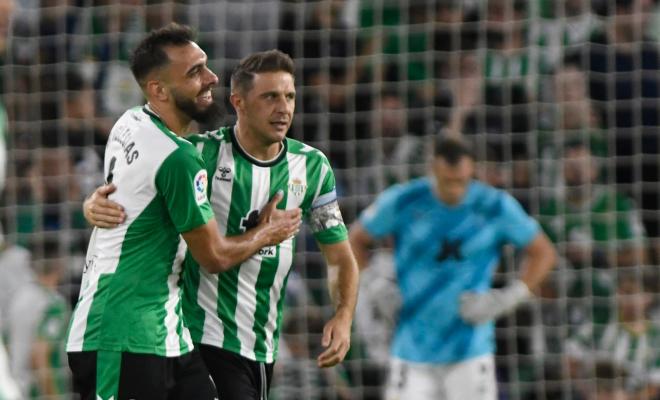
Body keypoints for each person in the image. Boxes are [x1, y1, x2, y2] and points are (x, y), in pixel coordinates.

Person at [83, 49, 359, 400]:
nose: (283, 108)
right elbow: (134, 189)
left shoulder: (313, 168)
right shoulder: (201, 155)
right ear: (238, 102)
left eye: (289, 96)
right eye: (270, 97)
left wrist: (343, 316)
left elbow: (340, 258)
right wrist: (94, 204)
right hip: (194, 335)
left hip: (258, 346)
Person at [349, 138, 556, 400]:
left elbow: (544, 253)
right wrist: (375, 284)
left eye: (462, 181)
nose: (456, 190)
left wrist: (508, 297)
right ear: (433, 170)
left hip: (470, 350)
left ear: (471, 172)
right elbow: (353, 241)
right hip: (412, 349)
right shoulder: (403, 200)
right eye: (449, 181)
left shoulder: (494, 206)